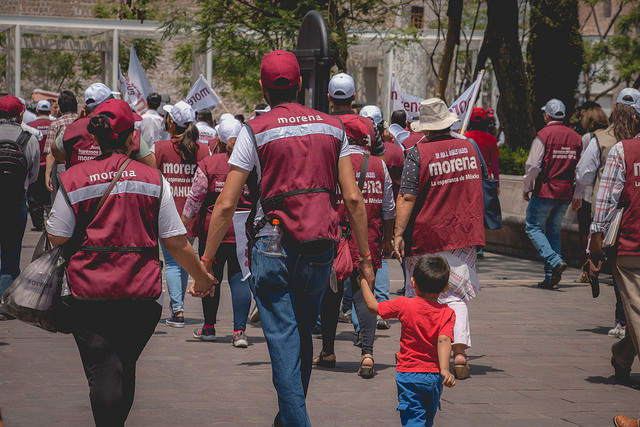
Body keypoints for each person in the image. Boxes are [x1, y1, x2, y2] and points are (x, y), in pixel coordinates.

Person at [197, 50, 373, 427]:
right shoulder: (332, 128)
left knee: (283, 342)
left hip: (272, 245)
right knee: (301, 334)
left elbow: (226, 204)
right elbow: (353, 198)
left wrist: (207, 261)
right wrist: (366, 259)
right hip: (321, 246)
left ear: (263, 88)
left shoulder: (255, 130)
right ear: (301, 85)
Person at [46, 98, 214, 426]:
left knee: (105, 370)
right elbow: (176, 241)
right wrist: (203, 277)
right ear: (132, 138)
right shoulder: (154, 180)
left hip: (88, 294)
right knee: (124, 363)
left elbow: (56, 235)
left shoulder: (74, 178)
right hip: (141, 298)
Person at [394, 98, 484, 380]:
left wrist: (398, 232)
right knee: (456, 295)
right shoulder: (469, 147)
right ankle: (459, 354)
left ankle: (423, 349)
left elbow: (406, 196)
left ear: (425, 127)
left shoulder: (417, 153)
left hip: (427, 235)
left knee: (422, 295)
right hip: (464, 234)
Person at [314, 103, 395, 377]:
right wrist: (388, 238)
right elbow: (389, 207)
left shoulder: (332, 164)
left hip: (336, 238)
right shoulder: (380, 165)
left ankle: (328, 351)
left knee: (331, 293)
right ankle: (368, 354)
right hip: (368, 237)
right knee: (365, 292)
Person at [360, 254, 456, 427]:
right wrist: (444, 369)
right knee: (427, 420)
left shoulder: (404, 304)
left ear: (413, 282)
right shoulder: (447, 313)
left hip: (408, 373)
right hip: (434, 376)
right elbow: (443, 340)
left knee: (413, 419)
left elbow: (374, 307)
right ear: (445, 287)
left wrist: (363, 282)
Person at [182, 118, 253, 346]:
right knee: (240, 278)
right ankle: (239, 331)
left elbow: (195, 198)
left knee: (209, 277)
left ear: (218, 142)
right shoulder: (251, 163)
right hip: (242, 232)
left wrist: (183, 223)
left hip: (212, 231)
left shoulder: (208, 164)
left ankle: (209, 327)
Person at [578, 89, 640, 339]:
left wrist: (594, 245)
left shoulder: (606, 142)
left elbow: (585, 176)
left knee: (624, 284)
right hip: (625, 226)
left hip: (621, 227)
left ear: (615, 111)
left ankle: (622, 323)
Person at [153, 100, 208, 327]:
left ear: (171, 124)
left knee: (173, 262)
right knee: (184, 259)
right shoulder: (204, 150)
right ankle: (179, 306)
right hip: (192, 215)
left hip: (168, 213)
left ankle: (177, 310)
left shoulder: (159, 148)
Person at [523, 98, 583, 289]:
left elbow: (533, 166)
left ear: (547, 116)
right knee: (554, 232)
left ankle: (554, 260)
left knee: (533, 227)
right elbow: (581, 171)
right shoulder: (576, 138)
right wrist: (578, 194)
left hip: (545, 190)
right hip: (565, 192)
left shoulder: (543, 135)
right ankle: (550, 276)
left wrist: (527, 186)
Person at [51, 83, 156, 170]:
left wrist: (78, 122)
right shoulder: (126, 129)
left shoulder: (72, 129)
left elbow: (57, 154)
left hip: (79, 184)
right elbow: (151, 167)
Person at [0, 95, 40, 321]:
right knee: (11, 255)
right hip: (15, 201)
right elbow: (33, 176)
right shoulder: (28, 138)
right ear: (21, 114)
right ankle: (4, 304)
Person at [572, 101, 609, 281]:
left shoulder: (589, 138)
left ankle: (587, 270)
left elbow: (583, 171)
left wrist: (577, 195)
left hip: (590, 195)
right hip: (610, 195)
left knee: (586, 234)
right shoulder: (613, 138)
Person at [327, 72, 386, 159]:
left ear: (329, 97)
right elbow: (381, 162)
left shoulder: (322, 125)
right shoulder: (370, 124)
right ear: (354, 96)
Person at [44, 90, 77, 200]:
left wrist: (47, 175)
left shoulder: (55, 124)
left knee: (60, 199)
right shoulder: (82, 121)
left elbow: (50, 153)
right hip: (81, 165)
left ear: (60, 107)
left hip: (61, 167)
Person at [27, 100, 53, 231]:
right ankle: (52, 222)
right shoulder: (54, 124)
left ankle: (38, 224)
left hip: (35, 165)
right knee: (49, 195)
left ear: (37, 110)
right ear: (50, 111)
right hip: (50, 164)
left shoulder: (30, 126)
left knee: (34, 195)